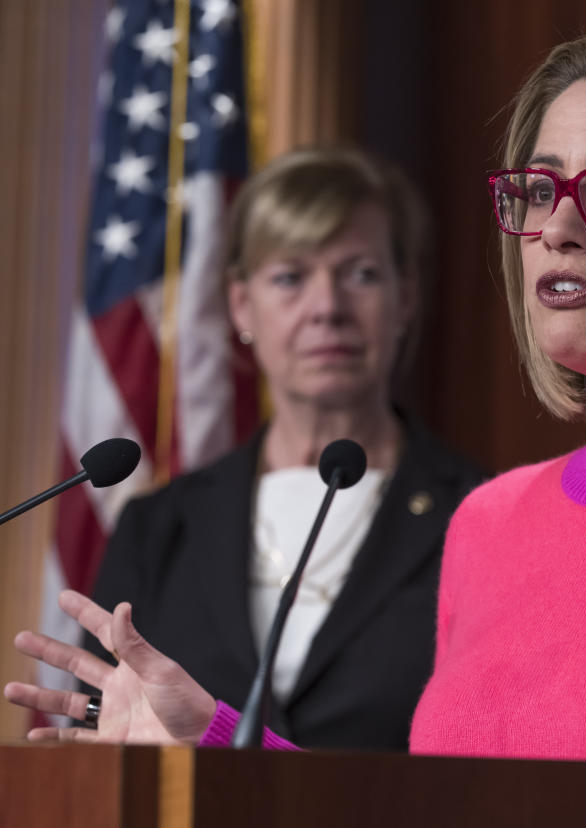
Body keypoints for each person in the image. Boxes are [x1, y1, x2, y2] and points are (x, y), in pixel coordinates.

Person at [8, 37, 586, 827]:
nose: (560, 228)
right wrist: (211, 741)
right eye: (539, 192)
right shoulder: (490, 519)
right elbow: (432, 810)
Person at [80, 147, 484, 751]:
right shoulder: (158, 529)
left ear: (405, 297)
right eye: (290, 278)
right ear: (243, 305)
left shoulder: (483, 517)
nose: (327, 308)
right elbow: (96, 733)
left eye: (361, 274)